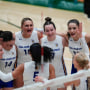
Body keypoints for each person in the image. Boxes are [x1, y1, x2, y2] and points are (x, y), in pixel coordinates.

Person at [14, 17, 42, 87]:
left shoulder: (37, 35)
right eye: (26, 25)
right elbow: (14, 55)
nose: (29, 27)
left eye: (31, 25)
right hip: (20, 68)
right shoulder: (15, 36)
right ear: (21, 27)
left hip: (34, 68)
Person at [41, 17, 68, 90]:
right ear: (44, 32)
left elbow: (72, 40)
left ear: (55, 30)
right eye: (47, 31)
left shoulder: (61, 40)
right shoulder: (42, 41)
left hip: (60, 73)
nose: (50, 33)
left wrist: (60, 33)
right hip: (47, 75)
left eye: (52, 30)